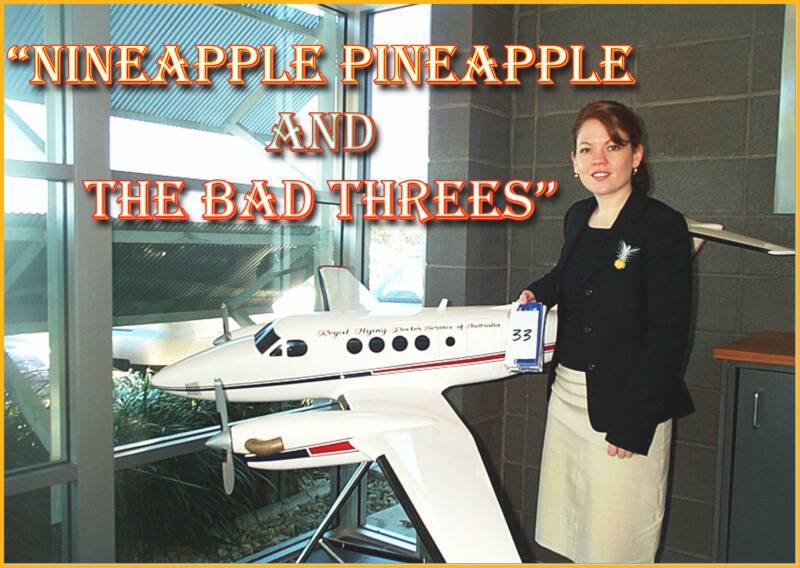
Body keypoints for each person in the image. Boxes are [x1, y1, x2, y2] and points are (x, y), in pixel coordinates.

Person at [517, 100, 695, 563]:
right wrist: (538, 292)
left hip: (625, 405)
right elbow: (569, 275)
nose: (599, 159)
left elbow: (668, 333)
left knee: (617, 541)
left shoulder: (661, 226)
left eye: (612, 146)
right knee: (571, 530)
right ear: (574, 162)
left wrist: (633, 421)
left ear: (636, 155)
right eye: (586, 149)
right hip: (569, 397)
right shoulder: (578, 216)